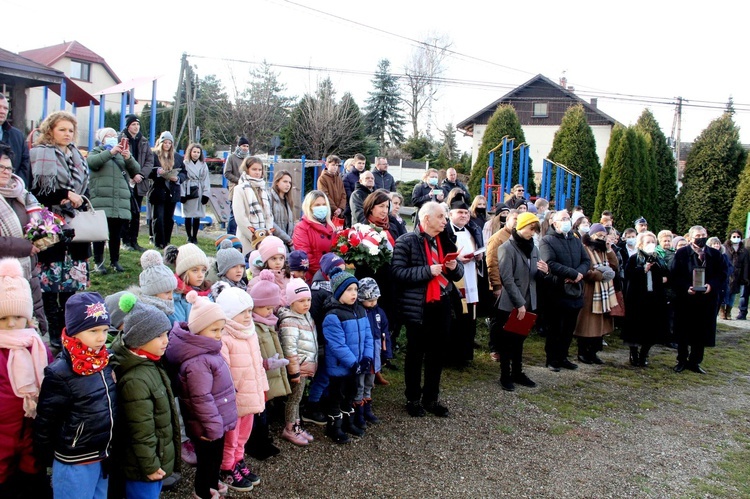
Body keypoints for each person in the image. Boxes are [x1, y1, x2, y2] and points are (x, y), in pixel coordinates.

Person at [34, 292, 116, 499]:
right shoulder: (60, 373)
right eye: (93, 330)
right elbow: (46, 420)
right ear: (74, 331)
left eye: (105, 330)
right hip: (74, 461)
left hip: (102, 454)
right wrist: (45, 458)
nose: (101, 337)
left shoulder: (104, 362)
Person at [391, 201, 463, 418]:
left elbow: (457, 274)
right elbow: (397, 273)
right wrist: (426, 271)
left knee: (437, 353)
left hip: (442, 302)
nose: (445, 221)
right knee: (415, 353)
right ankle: (413, 398)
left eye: (445, 217)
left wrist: (454, 267)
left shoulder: (445, 240)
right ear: (426, 219)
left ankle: (431, 398)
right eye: (441, 216)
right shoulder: (407, 241)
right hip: (418, 306)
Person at [165, 292, 237, 499]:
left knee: (214, 459)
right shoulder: (197, 361)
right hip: (206, 425)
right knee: (207, 461)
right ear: (198, 329)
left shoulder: (208, 352)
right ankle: (203, 492)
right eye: (214, 329)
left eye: (221, 329)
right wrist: (213, 427)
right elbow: (200, 399)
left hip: (214, 421)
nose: (218, 334)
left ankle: (212, 485)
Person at [29, 111, 90, 353]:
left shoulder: (77, 156)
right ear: (50, 130)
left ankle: (68, 330)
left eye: (70, 130)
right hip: (49, 225)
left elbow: (86, 189)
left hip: (76, 227)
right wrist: (64, 195)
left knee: (71, 287)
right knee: (48, 285)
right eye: (62, 129)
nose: (67, 134)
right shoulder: (39, 154)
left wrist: (80, 200)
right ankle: (53, 332)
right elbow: (37, 191)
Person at [110, 295, 180, 499]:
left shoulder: (149, 363)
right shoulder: (136, 379)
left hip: (153, 460)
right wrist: (149, 466)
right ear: (140, 339)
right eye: (159, 336)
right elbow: (140, 430)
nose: (166, 340)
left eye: (166, 334)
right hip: (141, 468)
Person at [0, 258, 52, 499]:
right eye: (2, 318)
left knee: (32, 479)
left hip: (31, 430)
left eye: (18, 317)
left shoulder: (38, 347)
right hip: (2, 435)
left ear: (28, 317)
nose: (11, 324)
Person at [214, 285, 266, 492]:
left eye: (249, 311)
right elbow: (223, 373)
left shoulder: (250, 332)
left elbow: (258, 362)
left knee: (244, 434)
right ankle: (227, 468)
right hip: (234, 400)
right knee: (231, 437)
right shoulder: (224, 337)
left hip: (250, 395)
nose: (247, 316)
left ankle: (238, 460)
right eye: (242, 312)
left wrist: (262, 387)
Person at [0, 143, 48, 339]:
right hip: (4, 276)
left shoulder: (21, 193)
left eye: (9, 168)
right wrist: (25, 247)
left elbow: (34, 222)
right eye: (0, 168)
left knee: (29, 329)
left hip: (27, 271)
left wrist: (43, 235)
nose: (5, 172)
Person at [495, 213, 547, 391]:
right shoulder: (506, 248)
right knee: (507, 341)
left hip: (529, 301)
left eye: (535, 230)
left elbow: (535, 275)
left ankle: (518, 372)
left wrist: (544, 271)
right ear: (520, 226)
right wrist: (519, 303)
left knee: (520, 340)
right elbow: (507, 279)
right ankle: (505, 375)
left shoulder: (534, 248)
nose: (532, 234)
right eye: (530, 229)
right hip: (511, 304)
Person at [321, 268, 373, 443]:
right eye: (349, 290)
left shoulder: (360, 311)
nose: (354, 294)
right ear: (338, 292)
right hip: (340, 367)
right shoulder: (333, 315)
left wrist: (367, 357)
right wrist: (353, 363)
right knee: (336, 396)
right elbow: (337, 345)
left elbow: (368, 336)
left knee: (350, 394)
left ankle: (348, 422)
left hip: (357, 365)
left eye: (355, 290)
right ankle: (334, 427)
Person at [539, 210, 590, 372]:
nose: (567, 221)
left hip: (575, 290)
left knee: (569, 328)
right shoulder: (547, 240)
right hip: (557, 290)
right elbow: (550, 263)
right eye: (564, 219)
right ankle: (552, 358)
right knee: (556, 327)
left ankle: (563, 356)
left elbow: (586, 260)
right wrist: (572, 274)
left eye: (568, 218)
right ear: (555, 223)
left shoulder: (575, 239)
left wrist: (579, 274)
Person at [246, 271, 290, 461]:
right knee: (258, 414)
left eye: (272, 308)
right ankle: (256, 445)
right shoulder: (254, 327)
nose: (270, 312)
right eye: (266, 308)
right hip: (258, 376)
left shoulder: (269, 322)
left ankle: (264, 440)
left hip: (267, 376)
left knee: (265, 411)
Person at [670, 226, 726, 374]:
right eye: (697, 235)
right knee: (683, 330)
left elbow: (722, 274)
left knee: (701, 331)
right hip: (687, 299)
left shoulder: (714, 254)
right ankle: (681, 360)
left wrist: (711, 286)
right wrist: (685, 287)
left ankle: (695, 361)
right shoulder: (682, 253)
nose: (701, 237)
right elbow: (675, 275)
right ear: (690, 237)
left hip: (707, 299)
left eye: (703, 235)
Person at [88, 127, 140, 274]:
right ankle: (98, 262)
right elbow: (92, 163)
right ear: (102, 139)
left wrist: (128, 157)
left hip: (119, 200)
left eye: (113, 135)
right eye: (108, 135)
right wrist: (110, 152)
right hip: (101, 200)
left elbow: (136, 169)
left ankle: (114, 261)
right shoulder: (97, 151)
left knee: (116, 233)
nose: (111, 137)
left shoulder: (121, 155)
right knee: (100, 234)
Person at [443, 192, 483, 367]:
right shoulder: (445, 232)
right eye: (460, 213)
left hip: (471, 278)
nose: (464, 216)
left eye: (466, 213)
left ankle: (465, 354)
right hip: (453, 281)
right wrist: (458, 260)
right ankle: (451, 356)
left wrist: (479, 258)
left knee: (469, 318)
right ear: (450, 214)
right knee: (455, 317)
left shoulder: (472, 231)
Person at [278, 279, 318, 446]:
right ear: (291, 301)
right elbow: (289, 349)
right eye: (301, 301)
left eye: (308, 300)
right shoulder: (289, 321)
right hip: (298, 369)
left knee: (298, 398)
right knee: (294, 399)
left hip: (305, 365)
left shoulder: (305, 316)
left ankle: (296, 424)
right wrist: (294, 371)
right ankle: (289, 428)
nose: (306, 304)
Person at [622, 231, 669, 367]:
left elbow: (666, 274)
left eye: (653, 242)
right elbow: (629, 274)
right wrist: (642, 269)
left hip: (654, 298)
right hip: (637, 299)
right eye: (648, 242)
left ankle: (644, 353)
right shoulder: (635, 258)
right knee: (635, 328)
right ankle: (634, 353)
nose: (651, 245)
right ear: (641, 244)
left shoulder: (658, 259)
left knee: (651, 329)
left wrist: (665, 278)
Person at [573, 223, 618, 364]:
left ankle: (593, 352)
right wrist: (598, 275)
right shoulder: (584, 248)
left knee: (599, 325)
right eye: (599, 235)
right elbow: (583, 269)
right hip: (589, 291)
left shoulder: (604, 250)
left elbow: (615, 265)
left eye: (604, 236)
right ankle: (583, 352)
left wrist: (610, 250)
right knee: (587, 324)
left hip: (603, 293)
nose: (601, 238)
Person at [353, 277, 388, 428]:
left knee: (369, 382)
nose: (373, 303)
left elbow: (385, 333)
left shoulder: (379, 312)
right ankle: (358, 412)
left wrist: (387, 352)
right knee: (359, 383)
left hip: (375, 352)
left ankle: (367, 408)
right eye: (369, 300)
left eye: (375, 299)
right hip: (363, 354)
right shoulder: (359, 312)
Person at [120, 114, 153, 252]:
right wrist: (130, 175)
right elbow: (119, 160)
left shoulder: (144, 141)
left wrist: (141, 174)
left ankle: (134, 241)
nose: (136, 127)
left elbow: (150, 161)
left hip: (139, 182)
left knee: (136, 213)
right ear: (128, 126)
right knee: (125, 213)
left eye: (138, 124)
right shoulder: (121, 139)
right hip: (125, 181)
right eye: (133, 124)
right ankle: (125, 241)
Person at [150, 131, 185, 249]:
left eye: (169, 143)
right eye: (165, 142)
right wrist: (157, 172)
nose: (167, 145)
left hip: (172, 190)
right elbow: (148, 171)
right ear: (161, 143)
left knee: (169, 218)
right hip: (158, 190)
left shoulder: (178, 157)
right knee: (158, 217)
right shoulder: (154, 155)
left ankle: (166, 242)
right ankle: (158, 242)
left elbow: (184, 172)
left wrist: (178, 178)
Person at [233, 156, 273, 254]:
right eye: (254, 169)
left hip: (265, 239)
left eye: (260, 169)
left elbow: (269, 215)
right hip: (247, 239)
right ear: (247, 170)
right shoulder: (240, 189)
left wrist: (266, 235)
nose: (257, 172)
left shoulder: (264, 189)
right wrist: (256, 238)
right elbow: (240, 218)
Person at [293, 191, 335, 282]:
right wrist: (324, 273)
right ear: (309, 207)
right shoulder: (302, 227)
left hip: (332, 275)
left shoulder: (331, 226)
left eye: (324, 204)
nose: (321, 207)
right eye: (317, 205)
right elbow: (306, 255)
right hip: (314, 277)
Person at [172, 243, 212, 323]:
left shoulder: (209, 292)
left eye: (203, 270)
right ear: (184, 272)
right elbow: (179, 327)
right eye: (195, 270)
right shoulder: (176, 297)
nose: (200, 275)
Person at [181, 143, 211, 245]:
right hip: (188, 188)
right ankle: (189, 236)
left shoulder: (203, 164)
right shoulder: (185, 163)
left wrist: (206, 194)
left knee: (197, 215)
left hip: (200, 189)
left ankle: (195, 236)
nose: (196, 154)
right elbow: (182, 179)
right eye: (194, 152)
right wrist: (182, 194)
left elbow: (206, 179)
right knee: (188, 215)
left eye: (198, 152)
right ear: (190, 152)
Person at [0, 93, 31, 189]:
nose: (2, 111)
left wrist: (16, 185)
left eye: (5, 108)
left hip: (13, 193)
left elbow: (25, 165)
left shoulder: (18, 136)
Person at [223, 137, 251, 235]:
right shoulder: (232, 158)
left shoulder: (249, 159)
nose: (245, 148)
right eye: (243, 146)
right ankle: (230, 235)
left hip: (247, 190)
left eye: (247, 146)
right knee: (234, 214)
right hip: (235, 189)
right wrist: (239, 180)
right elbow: (227, 173)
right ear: (239, 146)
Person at [721, 230, 748, 320]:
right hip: (726, 274)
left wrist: (744, 278)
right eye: (734, 236)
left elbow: (745, 265)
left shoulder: (744, 250)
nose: (736, 238)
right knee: (724, 293)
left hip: (737, 276)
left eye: (738, 236)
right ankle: (722, 311)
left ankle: (728, 312)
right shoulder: (724, 248)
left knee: (733, 295)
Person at [269, 170, 296, 251]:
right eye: (285, 181)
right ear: (277, 182)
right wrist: (287, 238)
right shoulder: (269, 197)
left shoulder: (288, 200)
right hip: (275, 242)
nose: (288, 185)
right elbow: (270, 222)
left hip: (288, 243)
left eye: (289, 183)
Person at [317, 155, 346, 221]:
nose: (335, 167)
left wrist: (341, 208)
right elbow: (324, 195)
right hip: (328, 212)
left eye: (337, 165)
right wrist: (335, 209)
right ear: (327, 165)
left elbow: (343, 194)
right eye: (333, 165)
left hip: (339, 213)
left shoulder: (339, 178)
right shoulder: (322, 178)